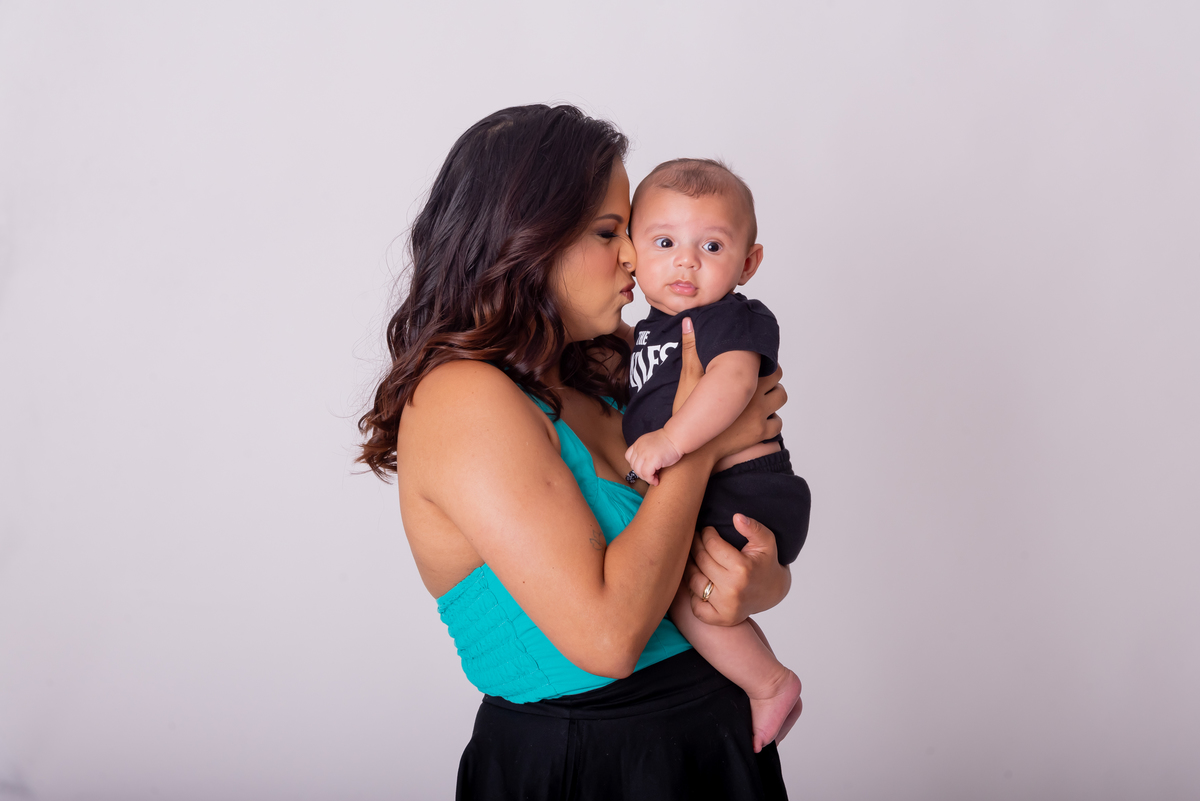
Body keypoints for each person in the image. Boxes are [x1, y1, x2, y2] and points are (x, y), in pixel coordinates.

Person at [359, 105, 794, 800]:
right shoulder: (460, 398)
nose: (634, 254)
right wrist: (702, 447)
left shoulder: (613, 358)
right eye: (606, 232)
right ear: (524, 240)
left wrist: (762, 582)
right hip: (587, 763)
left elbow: (706, 541)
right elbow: (609, 637)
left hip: (719, 737)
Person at [622, 158, 812, 753]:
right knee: (672, 585)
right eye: (664, 242)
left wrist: (673, 441)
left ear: (748, 263)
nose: (686, 260)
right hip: (719, 490)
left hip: (747, 490)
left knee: (676, 592)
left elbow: (732, 386)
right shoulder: (647, 330)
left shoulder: (732, 317)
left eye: (711, 244)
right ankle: (763, 681)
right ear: (633, 252)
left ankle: (769, 683)